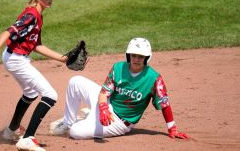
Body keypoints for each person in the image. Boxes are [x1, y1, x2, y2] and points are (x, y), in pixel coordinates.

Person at [0, 0, 65, 151]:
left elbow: (36, 45)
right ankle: (27, 138)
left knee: (31, 92)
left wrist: (62, 58)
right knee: (50, 95)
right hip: (16, 59)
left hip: (15, 57)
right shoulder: (31, 14)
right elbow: (8, 31)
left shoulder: (37, 15)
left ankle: (11, 130)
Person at [49, 37, 190, 140]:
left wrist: (172, 129)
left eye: (141, 56)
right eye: (134, 55)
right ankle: (68, 122)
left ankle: (88, 118)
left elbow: (165, 104)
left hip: (118, 122)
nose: (136, 59)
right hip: (107, 107)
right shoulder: (118, 68)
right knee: (76, 81)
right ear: (128, 55)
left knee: (75, 132)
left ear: (147, 57)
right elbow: (104, 92)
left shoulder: (154, 79)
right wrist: (103, 107)